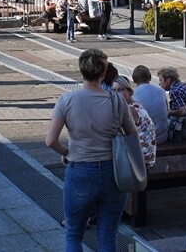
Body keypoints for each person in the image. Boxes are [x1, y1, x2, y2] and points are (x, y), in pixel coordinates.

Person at [45, 48, 137, 252]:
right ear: (103, 73)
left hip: (80, 171)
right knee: (107, 238)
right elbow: (132, 134)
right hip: (112, 173)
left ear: (81, 71)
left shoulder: (66, 100)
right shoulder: (117, 100)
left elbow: (50, 141)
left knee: (74, 234)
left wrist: (66, 152)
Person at [112, 75, 156, 170]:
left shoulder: (130, 110)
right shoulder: (135, 105)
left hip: (141, 161)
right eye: (114, 91)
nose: (117, 94)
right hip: (144, 157)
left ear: (129, 91)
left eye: (120, 90)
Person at [132, 65, 169, 144]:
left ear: (134, 79)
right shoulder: (161, 91)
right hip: (162, 136)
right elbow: (167, 112)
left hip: (146, 140)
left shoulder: (133, 95)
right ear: (150, 77)